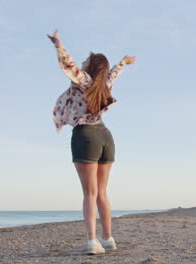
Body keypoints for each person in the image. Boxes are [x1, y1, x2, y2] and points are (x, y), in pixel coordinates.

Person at [47, 30, 136, 255]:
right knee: (102, 193)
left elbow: (69, 65)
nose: (83, 62)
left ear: (92, 66)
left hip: (86, 135)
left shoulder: (84, 80)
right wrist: (123, 62)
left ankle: (92, 242)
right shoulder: (104, 85)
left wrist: (58, 44)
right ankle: (108, 238)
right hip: (105, 137)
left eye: (87, 60)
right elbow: (113, 74)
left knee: (90, 193)